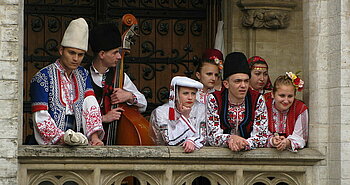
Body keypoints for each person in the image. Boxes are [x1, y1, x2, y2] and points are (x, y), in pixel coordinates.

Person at [30, 18, 104, 146]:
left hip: (77, 140)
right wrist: (63, 138)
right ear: (61, 50)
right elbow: (40, 116)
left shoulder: (83, 74)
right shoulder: (42, 76)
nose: (76, 59)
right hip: (48, 145)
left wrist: (94, 137)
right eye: (71, 53)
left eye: (80, 55)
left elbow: (90, 104)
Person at [87, 23, 147, 144]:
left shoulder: (120, 77)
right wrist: (103, 118)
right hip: (88, 141)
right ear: (102, 54)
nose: (119, 56)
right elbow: (74, 113)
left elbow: (143, 104)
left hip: (117, 139)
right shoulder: (81, 76)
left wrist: (129, 96)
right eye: (115, 52)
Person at [206, 52, 270, 151]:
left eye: (246, 81)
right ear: (226, 84)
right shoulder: (214, 99)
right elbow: (212, 136)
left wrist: (243, 143)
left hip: (250, 155)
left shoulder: (257, 99)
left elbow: (262, 136)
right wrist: (230, 139)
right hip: (220, 156)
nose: (243, 85)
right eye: (237, 81)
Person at [150, 76, 206, 153]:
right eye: (185, 93)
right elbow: (169, 141)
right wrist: (185, 117)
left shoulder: (201, 108)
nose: (190, 97)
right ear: (176, 95)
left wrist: (192, 140)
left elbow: (203, 135)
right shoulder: (161, 111)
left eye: (193, 93)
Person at [265, 72, 308, 152]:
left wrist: (287, 142)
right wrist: (272, 141)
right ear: (272, 94)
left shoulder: (300, 108)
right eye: (282, 95)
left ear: (294, 95)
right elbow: (259, 133)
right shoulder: (265, 106)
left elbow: (301, 138)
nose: (286, 100)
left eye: (290, 96)